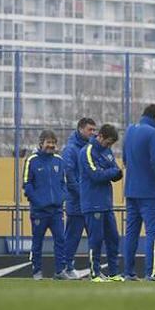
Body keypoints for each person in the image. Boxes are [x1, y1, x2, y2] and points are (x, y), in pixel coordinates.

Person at [123, 104, 155, 281]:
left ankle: (128, 272)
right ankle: (152, 272)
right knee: (152, 233)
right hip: (149, 192)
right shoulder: (153, 133)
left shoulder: (130, 130)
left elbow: (125, 159)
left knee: (131, 234)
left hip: (131, 190)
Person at [79, 123, 125, 282]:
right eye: (108, 143)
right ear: (100, 137)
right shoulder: (87, 151)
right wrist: (112, 172)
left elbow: (117, 171)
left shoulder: (107, 151)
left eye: (111, 144)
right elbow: (96, 175)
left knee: (113, 238)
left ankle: (113, 273)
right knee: (96, 240)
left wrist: (113, 172)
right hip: (92, 203)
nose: (109, 146)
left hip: (106, 203)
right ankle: (95, 273)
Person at [23, 130, 68, 280]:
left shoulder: (59, 160)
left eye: (53, 143)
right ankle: (37, 271)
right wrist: (38, 201)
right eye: (48, 142)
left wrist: (61, 198)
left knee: (60, 240)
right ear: (41, 143)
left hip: (56, 211)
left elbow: (64, 183)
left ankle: (60, 271)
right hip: (39, 211)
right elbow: (27, 185)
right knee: (37, 242)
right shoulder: (32, 160)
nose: (51, 145)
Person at [61, 117, 96, 278]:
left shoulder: (92, 148)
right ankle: (66, 267)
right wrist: (82, 195)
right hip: (77, 202)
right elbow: (69, 176)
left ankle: (95, 268)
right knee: (72, 237)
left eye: (94, 130)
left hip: (91, 201)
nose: (93, 133)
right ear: (81, 129)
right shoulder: (70, 149)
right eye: (90, 129)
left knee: (95, 237)